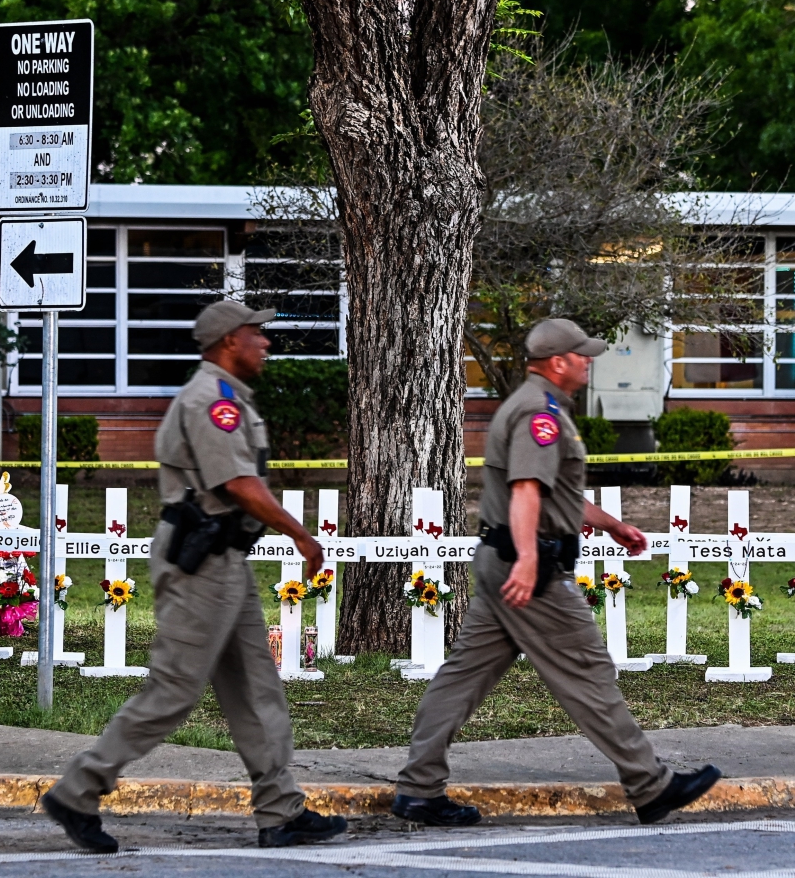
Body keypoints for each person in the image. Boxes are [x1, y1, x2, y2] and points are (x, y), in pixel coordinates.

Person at [42, 301, 348, 852]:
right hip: (200, 565)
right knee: (174, 690)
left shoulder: (226, 397)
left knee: (258, 689)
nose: (266, 342)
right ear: (229, 340)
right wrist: (301, 534)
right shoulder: (212, 401)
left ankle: (281, 812)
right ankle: (78, 790)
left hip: (224, 560)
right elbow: (238, 484)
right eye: (257, 333)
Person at [392, 318, 721, 827]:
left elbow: (553, 493)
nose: (590, 361)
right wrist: (528, 560)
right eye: (582, 354)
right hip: (533, 569)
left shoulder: (542, 407)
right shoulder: (537, 412)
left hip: (509, 560)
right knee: (588, 671)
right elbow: (526, 490)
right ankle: (650, 785)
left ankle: (417, 788)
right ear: (557, 362)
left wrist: (611, 524)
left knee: (461, 678)